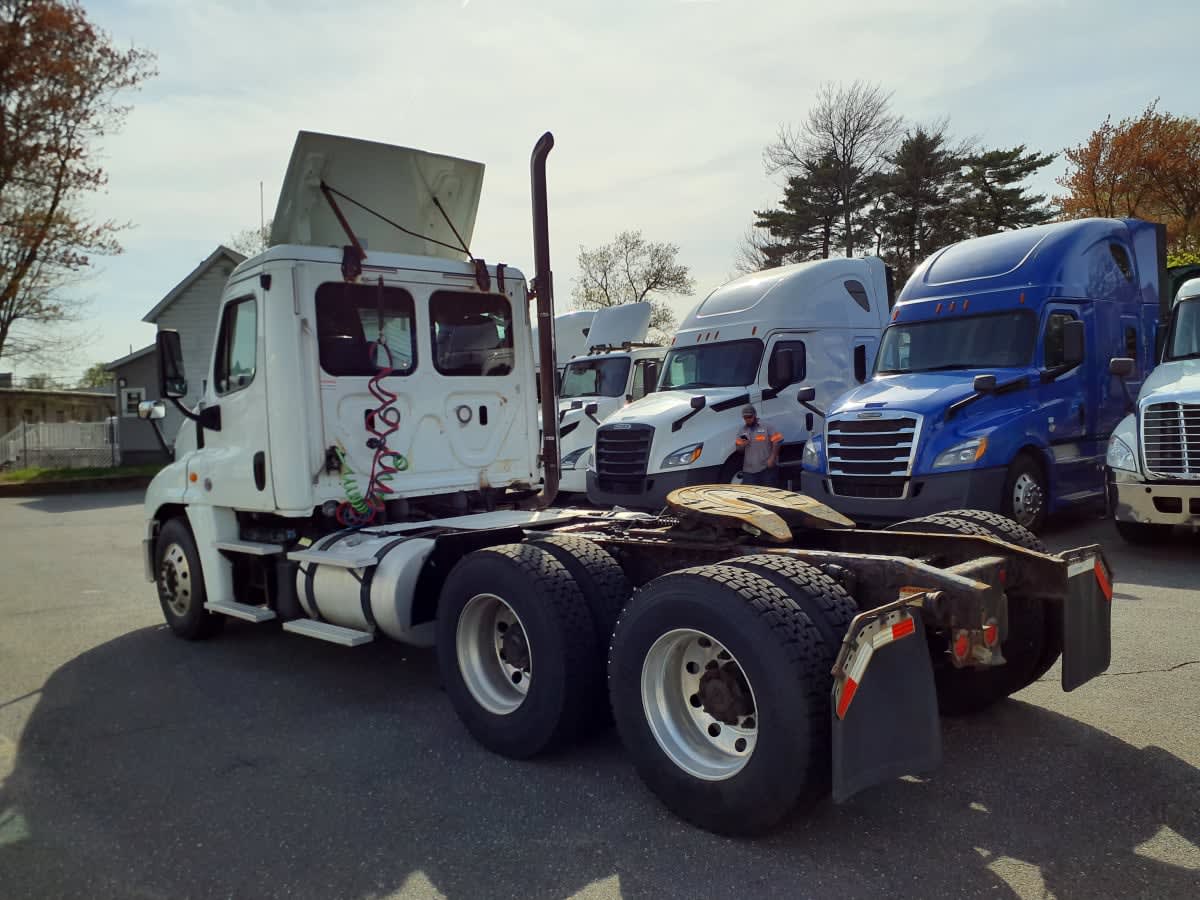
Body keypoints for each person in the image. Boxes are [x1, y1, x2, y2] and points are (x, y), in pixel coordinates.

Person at [734, 403, 782, 486]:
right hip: (749, 471)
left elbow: (777, 440)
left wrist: (772, 458)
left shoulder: (766, 426)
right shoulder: (742, 430)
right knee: (751, 496)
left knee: (768, 495)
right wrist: (743, 445)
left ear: (755, 415)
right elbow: (738, 449)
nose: (747, 419)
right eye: (745, 417)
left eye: (750, 417)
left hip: (766, 468)